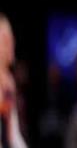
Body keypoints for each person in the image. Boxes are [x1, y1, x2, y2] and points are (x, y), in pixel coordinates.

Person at [0, 14, 28, 148]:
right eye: (6, 39)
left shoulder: (9, 83)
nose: (12, 44)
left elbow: (13, 135)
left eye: (12, 38)